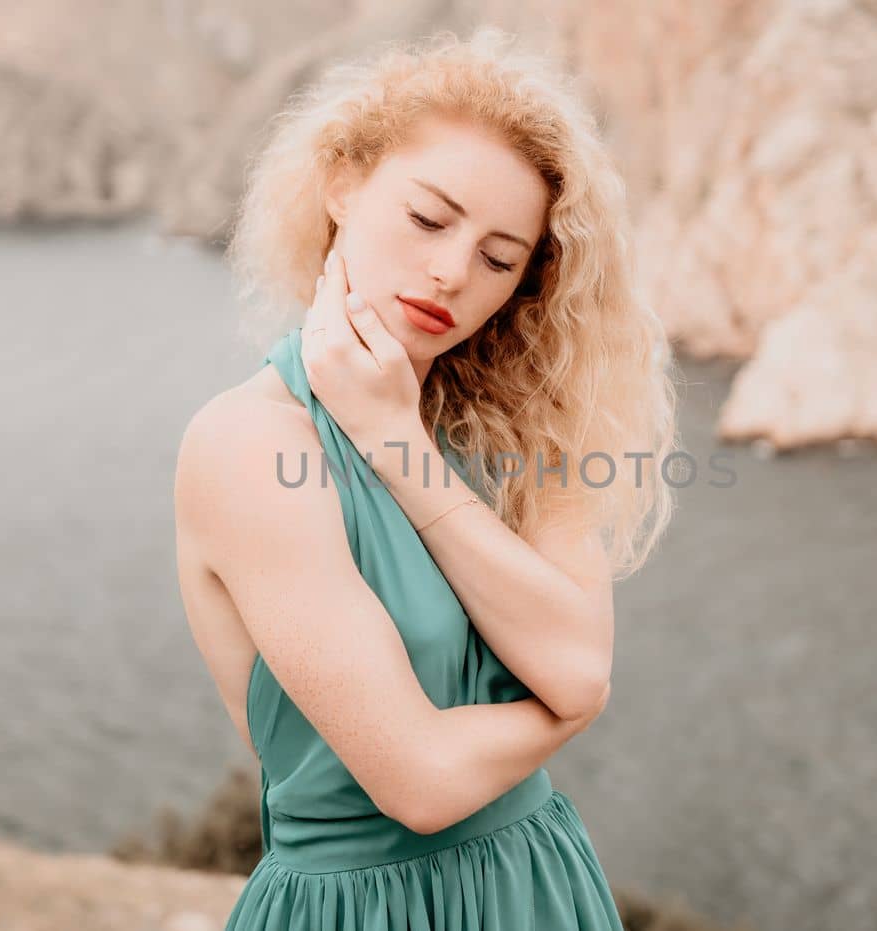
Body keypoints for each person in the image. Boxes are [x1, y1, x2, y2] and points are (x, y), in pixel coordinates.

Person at [174, 27, 679, 930]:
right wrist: (567, 715)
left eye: (499, 257)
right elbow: (421, 780)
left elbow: (575, 662)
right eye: (427, 218)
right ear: (342, 184)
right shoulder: (247, 443)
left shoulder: (524, 422)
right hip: (364, 909)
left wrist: (392, 440)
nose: (451, 271)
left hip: (540, 885)